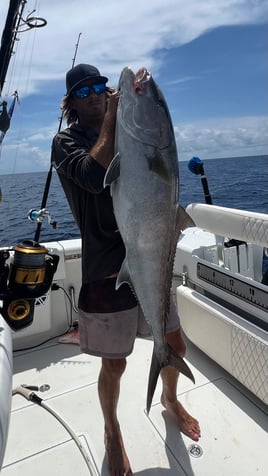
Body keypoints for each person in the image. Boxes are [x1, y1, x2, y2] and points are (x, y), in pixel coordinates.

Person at [51, 63, 201, 476]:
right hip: (105, 267)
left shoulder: (128, 133)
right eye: (84, 91)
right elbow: (94, 176)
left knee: (175, 344)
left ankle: (169, 399)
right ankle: (112, 432)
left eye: (100, 87)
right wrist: (118, 116)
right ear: (71, 103)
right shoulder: (65, 142)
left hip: (151, 257)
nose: (96, 94)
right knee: (114, 364)